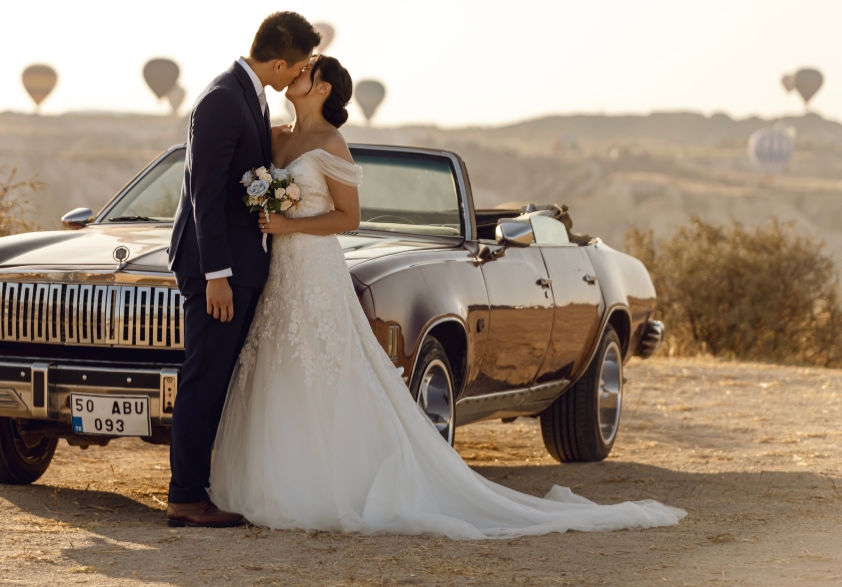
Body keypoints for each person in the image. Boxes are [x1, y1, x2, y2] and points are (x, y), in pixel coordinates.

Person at [209, 55, 686, 538]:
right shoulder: (273, 136)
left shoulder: (332, 144)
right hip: (280, 271)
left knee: (327, 369)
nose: (293, 74)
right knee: (277, 367)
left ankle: (326, 484)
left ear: (322, 88)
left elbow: (349, 217)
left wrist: (290, 222)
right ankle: (273, 479)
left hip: (316, 267)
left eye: (304, 71)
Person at [165, 11, 318, 528]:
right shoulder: (222, 99)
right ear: (279, 62)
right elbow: (205, 196)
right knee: (204, 377)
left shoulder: (246, 95)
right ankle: (185, 496)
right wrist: (217, 276)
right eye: (296, 69)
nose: (296, 78)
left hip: (238, 263)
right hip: (219, 268)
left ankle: (197, 487)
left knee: (216, 377)